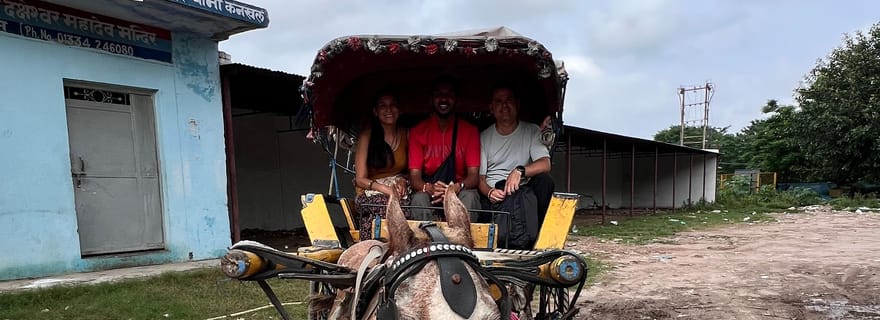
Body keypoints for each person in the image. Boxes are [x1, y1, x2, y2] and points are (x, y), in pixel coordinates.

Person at [478, 85, 555, 248]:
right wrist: (490, 192)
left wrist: (519, 171)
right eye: (499, 101)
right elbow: (480, 179)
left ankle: (540, 239)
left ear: (517, 104)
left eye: (509, 100)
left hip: (523, 192)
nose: (504, 106)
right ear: (491, 108)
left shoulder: (531, 131)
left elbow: (545, 163)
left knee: (545, 181)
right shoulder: (484, 137)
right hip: (495, 195)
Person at [408, 75, 482, 221]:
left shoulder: (470, 131)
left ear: (457, 100)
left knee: (470, 197)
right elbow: (415, 178)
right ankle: (425, 243)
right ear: (431, 99)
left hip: (459, 191)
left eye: (449, 95)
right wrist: (428, 188)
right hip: (431, 192)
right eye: (438, 95)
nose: (443, 99)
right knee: (419, 200)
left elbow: (473, 176)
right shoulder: (417, 131)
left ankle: (461, 242)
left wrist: (455, 188)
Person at [353, 89, 410, 240]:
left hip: (398, 191)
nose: (389, 110)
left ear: (400, 109)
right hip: (370, 192)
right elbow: (360, 179)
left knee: (415, 206)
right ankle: (370, 250)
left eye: (393, 105)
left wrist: (403, 180)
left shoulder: (406, 134)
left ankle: (406, 252)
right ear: (375, 111)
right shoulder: (367, 136)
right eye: (383, 106)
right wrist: (385, 189)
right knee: (385, 205)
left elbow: (412, 170)